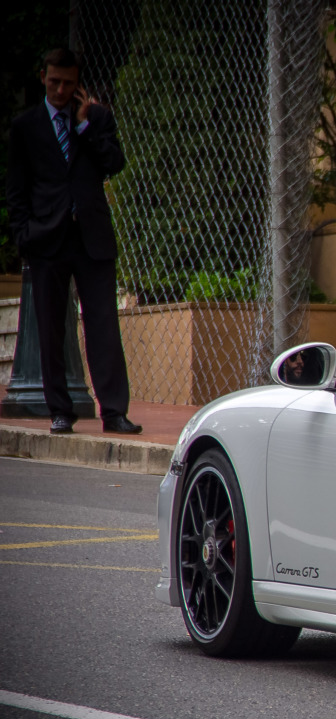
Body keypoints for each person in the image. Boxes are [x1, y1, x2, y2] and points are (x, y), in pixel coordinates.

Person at [6, 47, 140, 434]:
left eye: (68, 83)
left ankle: (113, 412)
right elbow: (16, 190)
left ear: (78, 84)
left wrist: (84, 126)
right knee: (51, 329)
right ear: (43, 77)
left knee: (103, 325)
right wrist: (25, 235)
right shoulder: (25, 126)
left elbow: (114, 163)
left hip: (92, 238)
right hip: (47, 240)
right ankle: (60, 411)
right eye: (53, 82)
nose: (60, 90)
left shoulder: (96, 118)